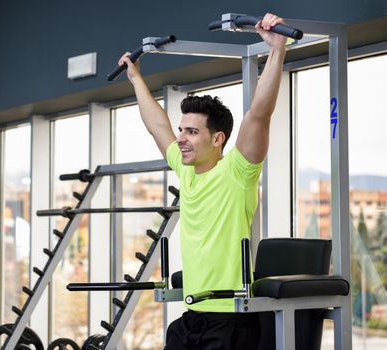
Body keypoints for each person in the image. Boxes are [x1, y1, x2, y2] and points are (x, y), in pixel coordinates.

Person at [118, 13, 287, 350]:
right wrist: (136, 78)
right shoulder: (185, 171)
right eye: (182, 130)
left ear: (217, 139)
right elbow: (157, 125)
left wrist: (277, 50)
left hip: (232, 320)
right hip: (191, 317)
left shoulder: (238, 172)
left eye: (192, 132)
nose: (181, 138)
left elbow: (259, 114)